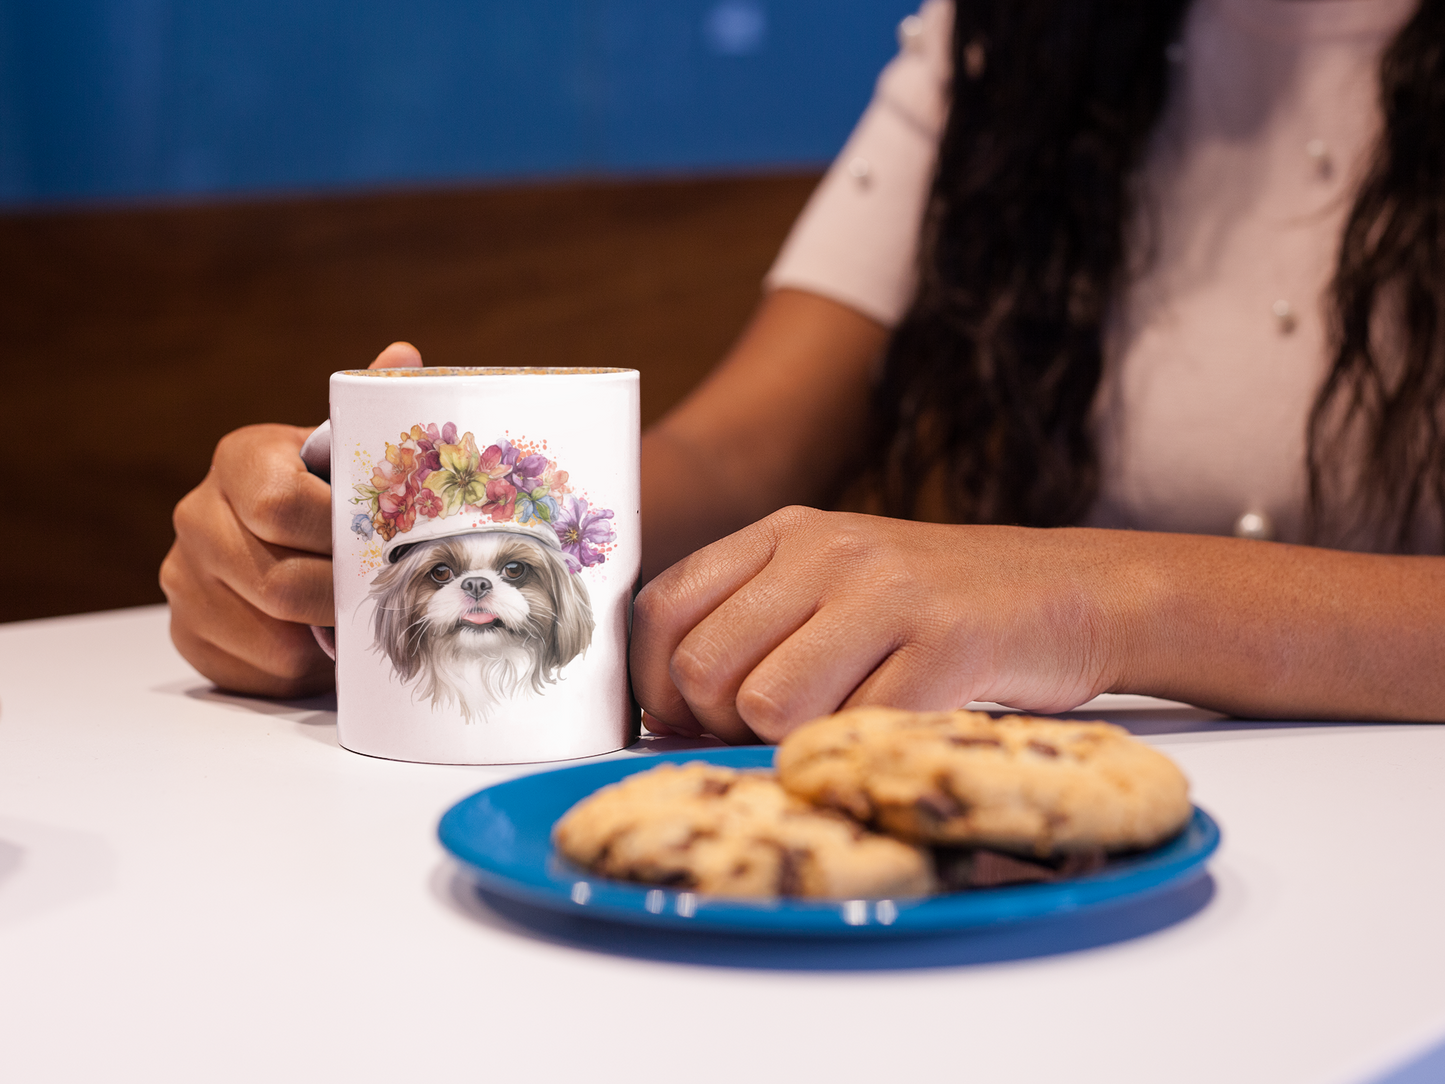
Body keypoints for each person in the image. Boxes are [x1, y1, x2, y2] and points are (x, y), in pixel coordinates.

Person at [161, 0, 1445, 746]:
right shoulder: (1010, 38)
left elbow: (1079, 595)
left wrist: (1087, 595)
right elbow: (734, 452)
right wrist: (361, 541)